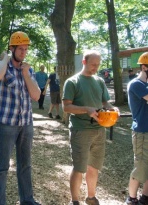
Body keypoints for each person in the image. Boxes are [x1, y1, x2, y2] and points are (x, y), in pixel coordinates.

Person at [62, 50, 119, 205]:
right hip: (81, 130)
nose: (96, 67)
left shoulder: (99, 81)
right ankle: (74, 200)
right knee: (79, 168)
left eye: (98, 64)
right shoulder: (73, 82)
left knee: (94, 167)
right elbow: (66, 107)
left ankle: (91, 197)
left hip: (99, 130)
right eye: (93, 64)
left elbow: (105, 103)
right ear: (84, 62)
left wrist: (113, 109)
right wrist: (87, 109)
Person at [0, 31, 41, 205]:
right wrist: (5, 58)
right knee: (2, 167)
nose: (24, 52)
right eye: (20, 48)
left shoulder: (29, 69)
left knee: (25, 165)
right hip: (6, 124)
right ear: (12, 48)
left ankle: (27, 200)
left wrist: (26, 74)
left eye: (26, 49)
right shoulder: (2, 66)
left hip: (26, 124)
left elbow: (36, 95)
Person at [125, 52, 148, 205]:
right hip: (142, 132)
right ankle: (131, 199)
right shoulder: (136, 84)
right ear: (144, 67)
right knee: (140, 166)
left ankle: (145, 197)